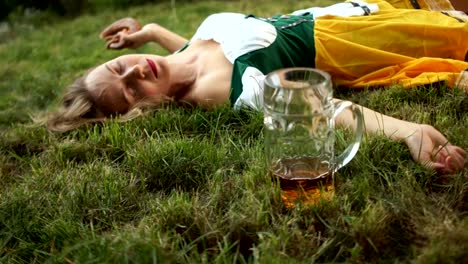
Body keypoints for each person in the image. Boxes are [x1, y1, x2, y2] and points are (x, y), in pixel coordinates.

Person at [40, 0, 467, 174]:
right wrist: (408, 131)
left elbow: (190, 51)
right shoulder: (221, 92)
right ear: (140, 110)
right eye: (130, 92)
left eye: (119, 66)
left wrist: (149, 31)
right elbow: (322, 108)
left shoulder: (181, 52)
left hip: (337, 12)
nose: (136, 74)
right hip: (345, 44)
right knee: (453, 29)